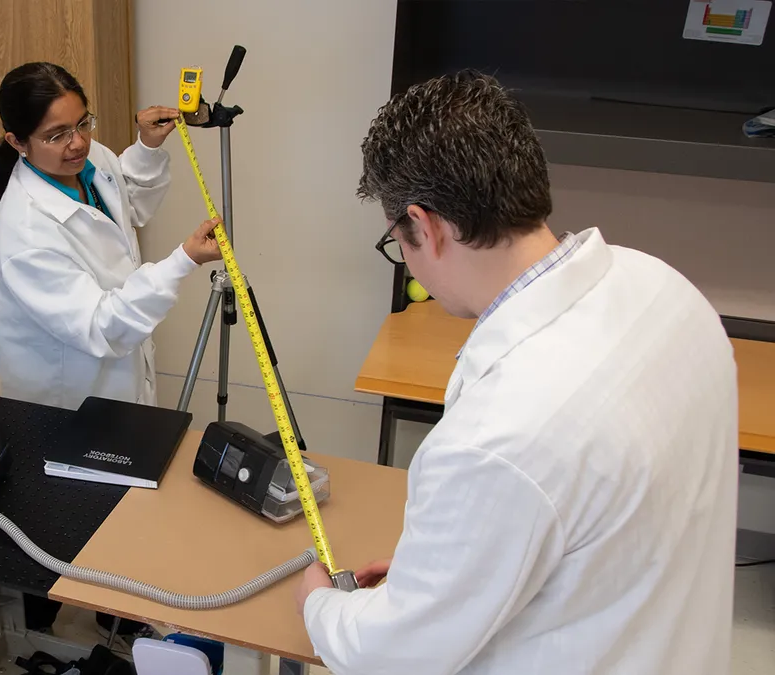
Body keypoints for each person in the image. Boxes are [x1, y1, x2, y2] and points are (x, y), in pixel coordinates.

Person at [295, 70, 737, 674]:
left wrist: (320, 605)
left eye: (398, 240)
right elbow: (606, 522)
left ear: (425, 227)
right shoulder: (667, 290)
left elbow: (395, 656)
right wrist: (460, 571)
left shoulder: (497, 439)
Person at [0, 62, 221, 636]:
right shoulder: (24, 233)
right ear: (17, 141)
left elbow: (126, 207)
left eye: (82, 122)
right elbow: (103, 327)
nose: (78, 143)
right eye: (56, 134)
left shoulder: (91, 160)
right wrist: (182, 262)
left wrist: (144, 148)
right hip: (69, 396)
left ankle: (121, 622)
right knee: (64, 527)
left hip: (114, 380)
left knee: (117, 518)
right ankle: (34, 635)